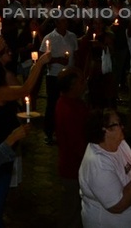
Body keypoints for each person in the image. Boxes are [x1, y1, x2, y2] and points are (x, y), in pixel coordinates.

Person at [0, 44, 51, 228]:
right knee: (1, 187)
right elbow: (25, 89)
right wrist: (39, 64)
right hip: (1, 143)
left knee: (0, 186)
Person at [78, 108, 131, 228]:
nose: (122, 126)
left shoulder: (119, 144)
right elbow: (117, 205)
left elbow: (129, 170)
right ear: (105, 130)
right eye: (118, 124)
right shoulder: (98, 164)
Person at [54, 67, 89, 228]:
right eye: (81, 81)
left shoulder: (70, 103)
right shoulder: (69, 110)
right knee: (72, 210)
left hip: (74, 166)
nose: (85, 83)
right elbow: (77, 144)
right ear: (73, 86)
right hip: (74, 169)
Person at [40, 17, 77, 145]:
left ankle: (65, 131)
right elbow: (42, 57)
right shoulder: (49, 37)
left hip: (69, 75)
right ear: (56, 23)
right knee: (52, 104)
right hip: (54, 75)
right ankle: (49, 132)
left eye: (66, 21)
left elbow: (76, 55)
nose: (65, 23)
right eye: (62, 21)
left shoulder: (72, 36)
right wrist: (57, 60)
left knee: (69, 104)